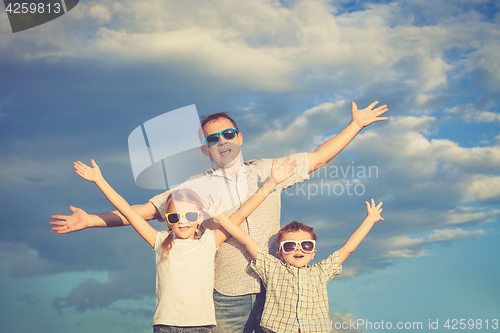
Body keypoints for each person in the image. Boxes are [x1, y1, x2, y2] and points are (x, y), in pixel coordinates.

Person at [50, 101, 388, 333]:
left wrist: (355, 125)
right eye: (213, 139)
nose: (222, 141)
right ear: (205, 149)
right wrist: (90, 219)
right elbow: (146, 212)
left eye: (228, 134)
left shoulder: (270, 170)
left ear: (239, 137)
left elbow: (316, 158)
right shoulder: (193, 188)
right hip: (227, 295)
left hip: (278, 291)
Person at [73, 157, 297, 333]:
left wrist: (271, 183)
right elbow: (128, 212)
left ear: (200, 218)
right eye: (174, 217)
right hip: (164, 325)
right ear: (168, 221)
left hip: (202, 326)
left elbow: (243, 212)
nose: (182, 221)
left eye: (189, 215)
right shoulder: (160, 241)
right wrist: (99, 181)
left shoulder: (209, 241)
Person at [207, 197, 384, 333]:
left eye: (306, 245)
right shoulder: (272, 268)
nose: (298, 249)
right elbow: (246, 240)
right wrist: (221, 217)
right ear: (280, 254)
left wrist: (370, 220)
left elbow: (347, 249)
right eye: (290, 246)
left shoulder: (321, 272)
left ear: (313, 252)